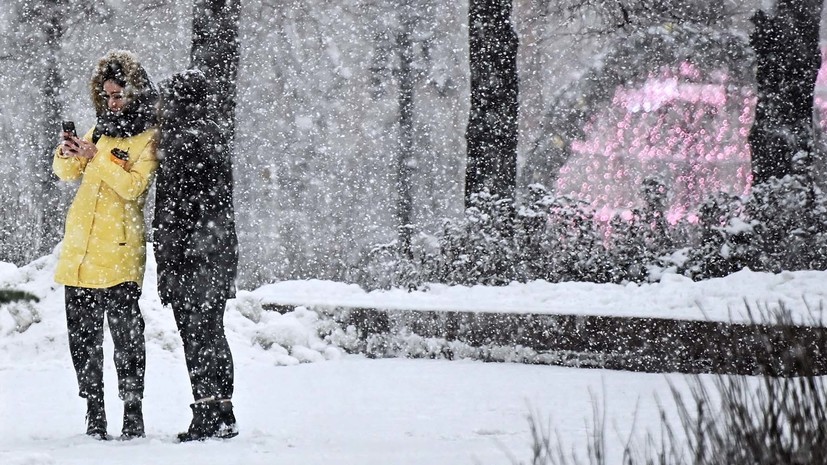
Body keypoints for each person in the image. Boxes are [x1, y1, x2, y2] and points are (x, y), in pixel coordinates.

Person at [53, 50, 159, 440]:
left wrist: (96, 158)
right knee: (82, 340)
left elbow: (133, 187)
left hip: (118, 253)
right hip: (80, 253)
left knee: (127, 338)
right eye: (108, 95)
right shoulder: (98, 131)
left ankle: (133, 410)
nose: (113, 102)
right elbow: (65, 172)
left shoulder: (149, 138)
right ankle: (94, 410)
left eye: (120, 95)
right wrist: (67, 152)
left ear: (137, 94)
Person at [153, 69, 239, 442]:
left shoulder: (179, 142)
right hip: (218, 250)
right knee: (213, 330)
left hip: (190, 256)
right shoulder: (216, 134)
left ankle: (204, 411)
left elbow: (173, 212)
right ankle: (224, 410)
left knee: (195, 335)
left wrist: (167, 264)